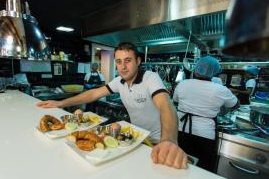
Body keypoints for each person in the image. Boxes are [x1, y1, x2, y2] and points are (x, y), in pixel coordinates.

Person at [36, 42, 188, 169]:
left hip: (159, 142)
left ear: (138, 61)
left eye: (128, 60)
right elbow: (93, 94)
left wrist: (168, 140)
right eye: (119, 61)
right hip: (138, 140)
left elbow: (166, 105)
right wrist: (60, 102)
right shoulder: (118, 82)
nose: (123, 66)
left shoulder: (150, 78)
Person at [173, 56, 239, 172]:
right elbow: (235, 105)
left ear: (196, 69)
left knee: (178, 163)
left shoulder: (183, 84)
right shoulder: (220, 89)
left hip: (180, 130)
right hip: (204, 135)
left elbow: (175, 102)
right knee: (202, 169)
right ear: (214, 72)